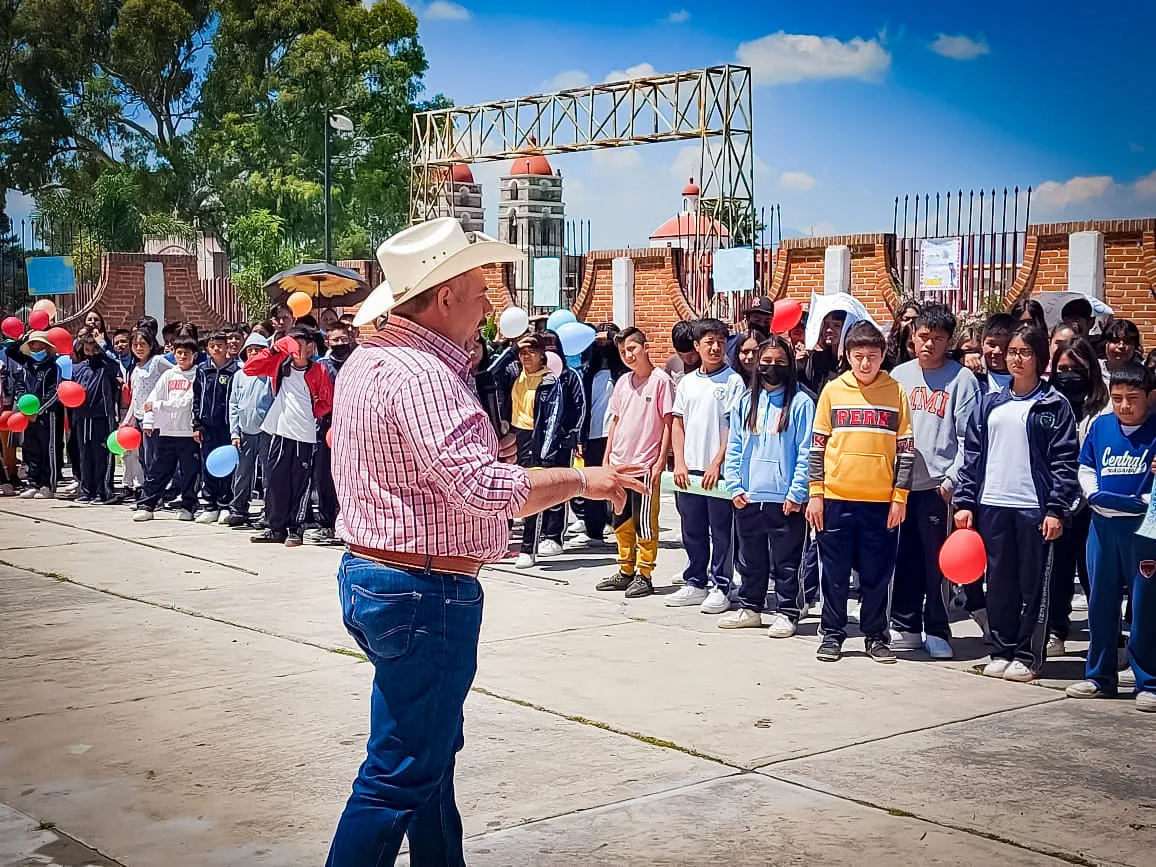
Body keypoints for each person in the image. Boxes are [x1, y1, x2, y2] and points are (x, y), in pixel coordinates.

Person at [324, 217, 643, 864]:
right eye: (479, 291)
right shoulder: (423, 375)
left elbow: (418, 466)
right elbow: (489, 490)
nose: (489, 308)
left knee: (429, 761)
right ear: (443, 297)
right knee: (400, 775)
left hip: (384, 576)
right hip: (423, 590)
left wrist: (484, 459)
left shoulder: (374, 360)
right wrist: (585, 476)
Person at [953, 323, 1079, 683]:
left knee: (1033, 584)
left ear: (1040, 358)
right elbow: (972, 456)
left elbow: (1063, 460)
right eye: (1012, 352)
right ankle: (1002, 648)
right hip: (992, 504)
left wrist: (1056, 508)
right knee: (1000, 582)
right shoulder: (990, 403)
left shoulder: (1054, 404)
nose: (1016, 359)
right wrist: (965, 501)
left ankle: (1029, 653)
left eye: (1025, 352)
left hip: (1033, 508)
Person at [807, 321, 914, 663]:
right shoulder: (833, 391)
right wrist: (816, 493)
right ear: (847, 356)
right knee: (834, 575)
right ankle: (833, 634)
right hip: (836, 500)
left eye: (872, 356)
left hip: (881, 503)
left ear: (883, 355)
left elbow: (906, 450)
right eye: (858, 356)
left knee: (876, 575)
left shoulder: (896, 392)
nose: (866, 363)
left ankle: (875, 636)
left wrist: (900, 496)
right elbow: (817, 447)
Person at [889, 304, 980, 659]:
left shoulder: (962, 380)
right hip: (899, 486)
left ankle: (938, 629)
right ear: (913, 337)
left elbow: (969, 439)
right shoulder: (898, 375)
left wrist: (952, 481)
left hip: (938, 489)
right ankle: (906, 625)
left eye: (937, 339)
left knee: (937, 565)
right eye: (923, 337)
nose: (929, 345)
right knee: (903, 559)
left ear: (948, 341)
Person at [1066, 362, 1156, 712]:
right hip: (1102, 527)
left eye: (1132, 398)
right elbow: (1085, 466)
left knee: (1145, 605)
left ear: (1149, 397)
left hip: (1144, 530)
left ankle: (1147, 681)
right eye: (1117, 398)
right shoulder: (1101, 427)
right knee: (1100, 602)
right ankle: (1100, 676)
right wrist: (1094, 495)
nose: (1124, 406)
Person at [721, 334, 814, 635]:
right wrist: (734, 485)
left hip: (785, 499)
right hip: (748, 496)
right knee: (751, 558)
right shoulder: (746, 401)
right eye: (766, 362)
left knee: (787, 562)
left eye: (779, 363)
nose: (772, 368)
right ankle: (751, 607)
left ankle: (788, 610)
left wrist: (797, 492)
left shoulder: (800, 402)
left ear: (790, 366)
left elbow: (806, 450)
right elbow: (734, 445)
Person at [667, 319, 744, 614]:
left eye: (720, 342)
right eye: (709, 342)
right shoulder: (687, 382)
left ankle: (722, 585)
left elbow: (732, 427)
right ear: (697, 346)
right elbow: (678, 423)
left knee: (722, 531)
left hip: (719, 473)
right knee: (692, 529)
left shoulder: (733, 381)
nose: (715, 347)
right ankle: (695, 580)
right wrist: (681, 462)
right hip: (690, 471)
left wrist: (717, 462)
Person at [597, 327, 674, 599]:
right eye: (622, 351)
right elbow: (615, 421)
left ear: (645, 347)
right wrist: (607, 457)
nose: (628, 355)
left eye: (632, 348)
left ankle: (644, 572)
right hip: (619, 464)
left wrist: (660, 460)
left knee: (644, 522)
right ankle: (625, 568)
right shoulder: (622, 382)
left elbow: (668, 423)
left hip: (644, 465)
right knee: (621, 519)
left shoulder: (661, 381)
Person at [498, 333, 586, 567]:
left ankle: (529, 547)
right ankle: (501, 539)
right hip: (513, 436)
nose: (526, 356)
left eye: (532, 352)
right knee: (506, 488)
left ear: (542, 355)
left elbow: (552, 420)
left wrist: (545, 452)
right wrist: (511, 348)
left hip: (536, 440)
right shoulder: (513, 374)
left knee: (531, 494)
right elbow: (492, 372)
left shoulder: (549, 381)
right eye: (522, 352)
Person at [1045, 337, 1109, 652]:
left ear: (1091, 370)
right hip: (1057, 498)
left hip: (1094, 501)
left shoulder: (1104, 404)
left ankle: (1105, 635)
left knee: (1092, 572)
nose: (1069, 374)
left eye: (1077, 369)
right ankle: (1056, 629)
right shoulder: (1048, 401)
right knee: (1057, 569)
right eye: (1063, 368)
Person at [243, 326, 333, 546]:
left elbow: (327, 401)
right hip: (281, 431)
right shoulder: (280, 366)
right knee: (274, 480)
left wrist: (313, 413)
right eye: (294, 344)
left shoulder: (319, 370)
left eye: (303, 344)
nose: (299, 349)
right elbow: (249, 368)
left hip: (305, 434)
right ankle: (275, 527)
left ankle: (295, 528)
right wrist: (274, 350)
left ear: (311, 347)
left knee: (300, 483)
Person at [135, 335, 200, 521]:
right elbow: (152, 399)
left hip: (188, 433)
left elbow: (185, 403)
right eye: (178, 353)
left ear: (194, 355)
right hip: (166, 431)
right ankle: (147, 505)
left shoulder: (197, 375)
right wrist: (149, 421)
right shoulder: (169, 375)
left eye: (186, 353)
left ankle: (188, 506)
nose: (182, 356)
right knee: (158, 470)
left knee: (189, 473)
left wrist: (158, 406)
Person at [306, 322, 357, 545]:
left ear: (351, 338)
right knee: (324, 477)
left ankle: (350, 525)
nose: (340, 344)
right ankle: (327, 524)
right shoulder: (321, 366)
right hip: (325, 428)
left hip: (353, 428)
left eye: (343, 340)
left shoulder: (358, 363)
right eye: (335, 340)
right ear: (327, 342)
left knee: (352, 478)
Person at [577, 323, 626, 543]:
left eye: (608, 342)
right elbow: (582, 406)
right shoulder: (588, 371)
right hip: (593, 435)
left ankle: (621, 527)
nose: (603, 346)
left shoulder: (623, 372)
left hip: (617, 435)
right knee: (592, 483)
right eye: (599, 342)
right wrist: (580, 435)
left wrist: (615, 336)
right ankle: (594, 529)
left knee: (619, 483)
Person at [224, 333, 274, 528]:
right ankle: (238, 508)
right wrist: (234, 432)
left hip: (267, 431)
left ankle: (269, 509)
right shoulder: (240, 374)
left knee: (268, 473)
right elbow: (234, 404)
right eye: (250, 350)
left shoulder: (270, 374)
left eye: (258, 350)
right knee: (243, 471)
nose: (253, 353)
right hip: (244, 431)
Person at [6, 331, 62, 499]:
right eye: (33, 345)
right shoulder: (26, 366)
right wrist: (25, 408)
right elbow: (20, 387)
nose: (37, 348)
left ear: (47, 347)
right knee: (31, 449)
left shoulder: (53, 367)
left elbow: (55, 392)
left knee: (48, 449)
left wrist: (39, 410)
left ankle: (48, 484)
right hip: (27, 415)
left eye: (40, 345)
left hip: (47, 415)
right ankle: (33, 482)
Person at [72, 326, 124, 504]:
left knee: (102, 453)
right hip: (83, 416)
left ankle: (104, 491)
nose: (91, 352)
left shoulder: (107, 365)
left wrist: (102, 346)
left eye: (94, 348)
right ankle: (87, 490)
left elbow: (113, 365)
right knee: (85, 454)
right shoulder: (78, 368)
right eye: (87, 349)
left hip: (103, 416)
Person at [192, 331, 239, 524]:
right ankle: (209, 505)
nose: (217, 349)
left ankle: (225, 504)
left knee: (227, 467)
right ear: (207, 349)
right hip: (207, 427)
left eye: (221, 345)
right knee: (208, 465)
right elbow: (196, 399)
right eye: (213, 346)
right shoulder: (202, 370)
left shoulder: (235, 371)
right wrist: (197, 424)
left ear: (228, 347)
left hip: (226, 427)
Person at [798, 311, 845, 394]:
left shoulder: (853, 361)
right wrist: (799, 368)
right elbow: (808, 390)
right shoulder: (816, 358)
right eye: (826, 324)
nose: (829, 330)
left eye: (836, 325)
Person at [977, 313, 1015, 393]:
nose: (997, 351)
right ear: (982, 344)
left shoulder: (1025, 380)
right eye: (991, 345)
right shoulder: (972, 377)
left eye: (1005, 346)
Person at [664, 319, 700, 384]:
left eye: (691, 355)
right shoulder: (672, 363)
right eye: (680, 355)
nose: (687, 359)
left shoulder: (709, 363)